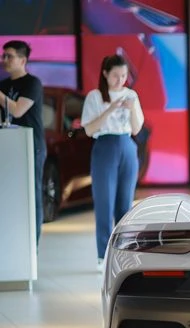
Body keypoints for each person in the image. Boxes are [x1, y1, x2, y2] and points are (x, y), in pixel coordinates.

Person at [80, 54, 145, 269]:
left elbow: (136, 129)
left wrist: (131, 108)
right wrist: (110, 109)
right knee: (104, 203)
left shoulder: (131, 95)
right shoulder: (95, 96)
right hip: (104, 147)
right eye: (116, 75)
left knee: (125, 204)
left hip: (127, 146)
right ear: (105, 74)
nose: (120, 80)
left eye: (124, 75)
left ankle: (123, 254)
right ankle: (103, 256)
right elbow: (89, 129)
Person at [0, 40, 46, 245]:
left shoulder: (32, 83)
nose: (5, 60)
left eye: (9, 56)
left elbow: (18, 110)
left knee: (32, 195)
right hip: (9, 147)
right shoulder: (3, 85)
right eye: (3, 56)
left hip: (31, 147)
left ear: (23, 60)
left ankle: (32, 245)